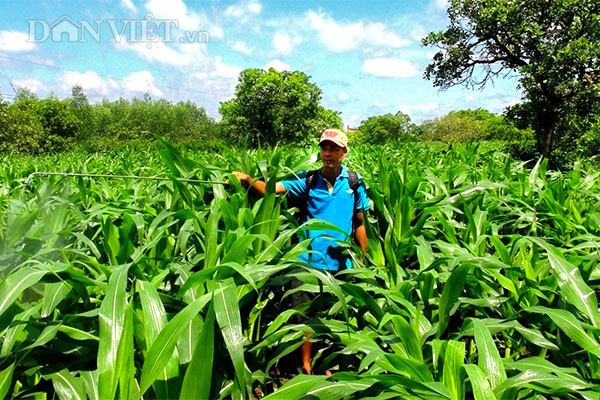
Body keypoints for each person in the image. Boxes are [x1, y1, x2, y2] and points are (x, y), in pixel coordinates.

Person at [233, 128, 369, 375]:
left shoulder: (353, 182)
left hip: (340, 263)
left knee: (333, 317)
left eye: (334, 149)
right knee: (305, 318)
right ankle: (306, 367)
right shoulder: (308, 181)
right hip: (308, 263)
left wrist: (360, 259)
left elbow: (359, 223)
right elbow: (272, 189)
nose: (328, 153)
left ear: (344, 152)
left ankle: (327, 364)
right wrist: (248, 181)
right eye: (324, 148)